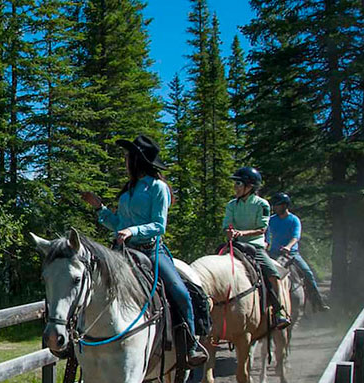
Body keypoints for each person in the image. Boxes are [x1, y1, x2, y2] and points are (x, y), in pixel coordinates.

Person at [81, 135, 208, 366]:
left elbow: (159, 225)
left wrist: (133, 231)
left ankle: (191, 342)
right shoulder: (129, 189)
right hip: (123, 252)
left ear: (138, 160)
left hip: (151, 251)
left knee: (180, 291)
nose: (125, 160)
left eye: (128, 156)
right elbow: (119, 223)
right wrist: (100, 208)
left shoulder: (158, 188)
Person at [222, 167, 291, 329]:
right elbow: (226, 225)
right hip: (235, 244)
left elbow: (262, 228)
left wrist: (241, 233)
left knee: (273, 274)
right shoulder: (232, 205)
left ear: (249, 186)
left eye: (238, 183)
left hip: (255, 246)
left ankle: (279, 311)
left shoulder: (262, 204)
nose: (235, 187)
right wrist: (229, 232)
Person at [267, 193, 330, 312]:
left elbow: (296, 237)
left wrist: (288, 247)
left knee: (308, 273)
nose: (274, 207)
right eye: (274, 205)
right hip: (273, 253)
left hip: (291, 254)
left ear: (285, 205)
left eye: (277, 205)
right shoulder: (271, 220)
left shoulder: (294, 220)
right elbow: (266, 233)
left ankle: (317, 301)